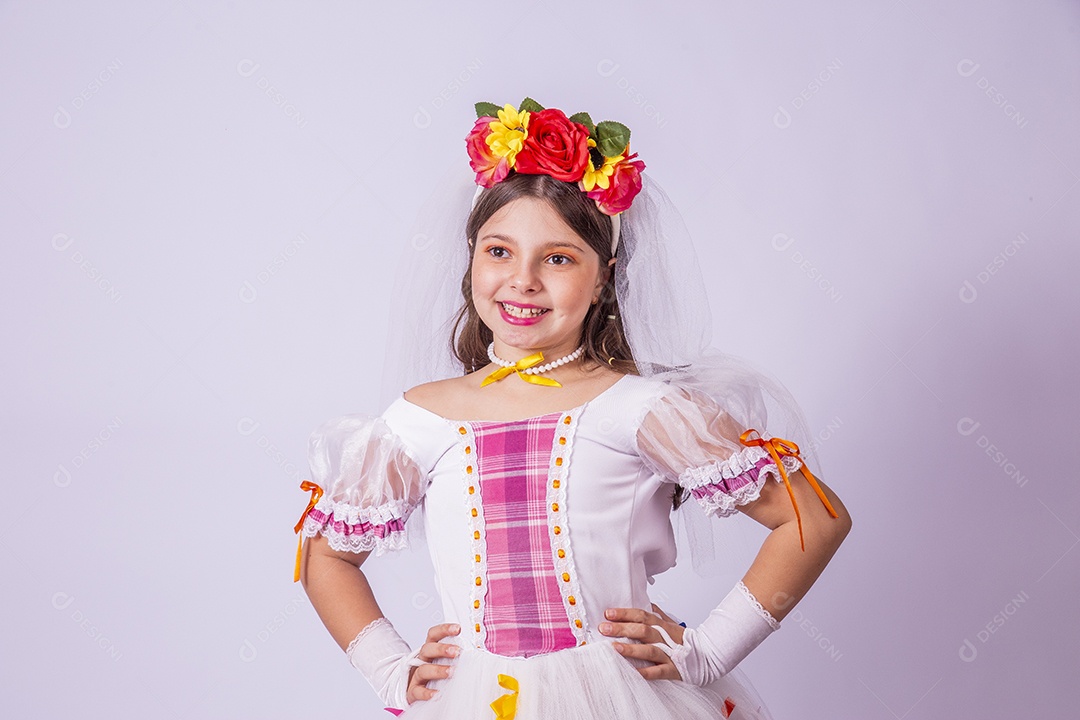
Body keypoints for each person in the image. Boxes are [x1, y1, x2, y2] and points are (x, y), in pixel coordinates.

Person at [293, 97, 852, 719]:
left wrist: (709, 652)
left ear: (603, 278)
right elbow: (327, 556)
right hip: (477, 700)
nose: (523, 280)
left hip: (619, 698)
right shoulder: (418, 421)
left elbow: (815, 521)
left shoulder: (642, 409)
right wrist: (390, 670)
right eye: (499, 251)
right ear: (471, 257)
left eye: (557, 258)